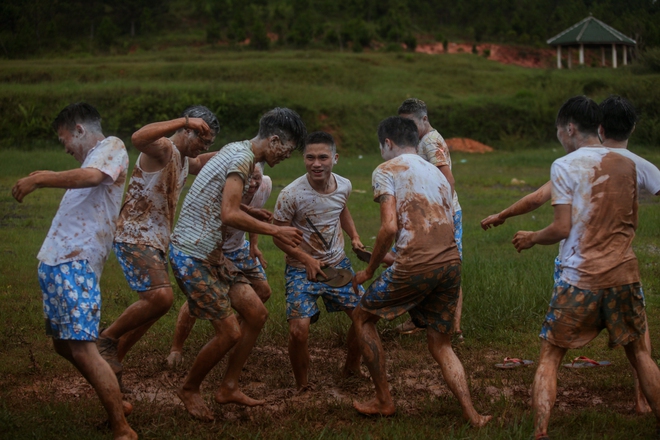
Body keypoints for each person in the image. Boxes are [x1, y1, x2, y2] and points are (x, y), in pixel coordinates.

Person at [482, 95, 660, 415]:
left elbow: (555, 219)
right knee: (640, 351)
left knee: (550, 356)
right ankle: (645, 405)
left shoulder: (568, 164)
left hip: (579, 275)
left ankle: (541, 431)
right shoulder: (632, 162)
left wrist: (529, 234)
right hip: (623, 273)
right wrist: (504, 215)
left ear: (575, 128)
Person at [351, 117, 491, 427]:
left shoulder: (386, 169)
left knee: (362, 317)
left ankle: (384, 400)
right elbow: (428, 229)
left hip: (418, 264)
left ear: (388, 143)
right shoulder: (439, 175)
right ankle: (473, 414)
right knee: (441, 344)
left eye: (381, 147)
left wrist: (369, 269)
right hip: (451, 263)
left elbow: (389, 227)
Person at [168, 107, 306, 421]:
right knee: (229, 333)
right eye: (287, 148)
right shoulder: (243, 158)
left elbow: (222, 201)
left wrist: (251, 211)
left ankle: (228, 386)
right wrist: (275, 229)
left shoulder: (237, 149)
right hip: (192, 254)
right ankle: (190, 388)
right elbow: (228, 214)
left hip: (212, 254)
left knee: (256, 314)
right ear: (273, 140)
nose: (287, 155)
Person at [11, 103, 136, 439]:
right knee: (63, 346)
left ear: (80, 130)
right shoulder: (92, 158)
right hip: (57, 262)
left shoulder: (111, 147)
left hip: (74, 263)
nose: (65, 148)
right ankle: (116, 401)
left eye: (65, 139)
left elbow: (93, 177)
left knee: (82, 347)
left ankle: (122, 428)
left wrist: (40, 178)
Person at [97, 106, 220, 389]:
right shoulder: (163, 148)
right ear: (187, 131)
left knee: (155, 307)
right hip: (134, 235)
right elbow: (138, 137)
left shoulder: (187, 160)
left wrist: (247, 151)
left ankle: (110, 364)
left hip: (155, 241)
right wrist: (184, 120)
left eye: (208, 143)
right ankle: (105, 339)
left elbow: (208, 160)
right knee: (161, 299)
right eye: (202, 139)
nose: (204, 146)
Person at [272, 131, 365, 390]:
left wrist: (355, 237)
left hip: (338, 265)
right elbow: (277, 237)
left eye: (323, 157)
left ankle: (352, 368)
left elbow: (341, 209)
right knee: (298, 331)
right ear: (303, 159)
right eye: (310, 157)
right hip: (301, 270)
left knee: (364, 318)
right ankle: (302, 385)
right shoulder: (290, 194)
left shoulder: (344, 185)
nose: (316, 163)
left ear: (335, 158)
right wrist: (304, 258)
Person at [166, 162, 273, 368]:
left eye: (257, 177)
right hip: (213, 249)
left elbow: (254, 215)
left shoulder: (265, 186)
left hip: (239, 248)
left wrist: (255, 245)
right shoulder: (222, 189)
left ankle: (235, 336)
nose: (252, 183)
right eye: (248, 178)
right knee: (197, 298)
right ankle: (176, 348)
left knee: (263, 291)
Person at [397, 98, 464, 340]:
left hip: (444, 215)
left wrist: (442, 215)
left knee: (450, 266)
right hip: (431, 216)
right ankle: (420, 319)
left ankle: (454, 327)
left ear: (424, 119)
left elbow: (448, 180)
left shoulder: (431, 142)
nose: (407, 130)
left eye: (411, 123)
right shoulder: (422, 140)